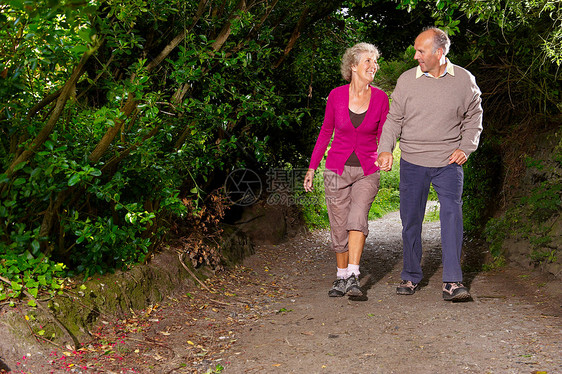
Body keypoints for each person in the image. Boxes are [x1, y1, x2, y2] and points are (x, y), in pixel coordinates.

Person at [376, 27, 483, 301]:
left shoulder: (464, 80)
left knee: (451, 218)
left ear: (439, 52)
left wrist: (466, 147)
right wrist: (385, 149)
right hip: (413, 160)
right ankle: (411, 275)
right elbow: (393, 120)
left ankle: (453, 281)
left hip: (448, 161)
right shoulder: (407, 81)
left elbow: (474, 116)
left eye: (420, 51)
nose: (415, 56)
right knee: (411, 220)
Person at [304, 43, 388, 298]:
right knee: (339, 226)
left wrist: (387, 153)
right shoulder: (336, 95)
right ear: (353, 66)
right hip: (336, 170)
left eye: (375, 62)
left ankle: (353, 275)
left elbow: (385, 133)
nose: (373, 66)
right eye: (368, 61)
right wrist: (312, 167)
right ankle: (341, 277)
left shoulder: (381, 98)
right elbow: (325, 132)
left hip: (367, 169)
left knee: (357, 219)